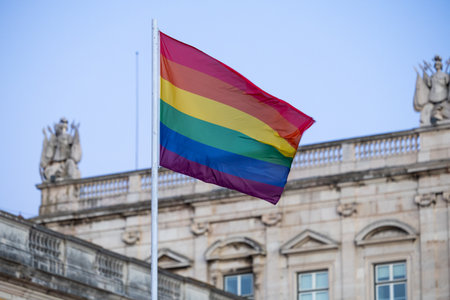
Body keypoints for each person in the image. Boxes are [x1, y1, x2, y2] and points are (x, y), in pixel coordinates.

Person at [40, 118, 82, 182]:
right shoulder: (54, 139)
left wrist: (76, 130)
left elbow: (75, 145)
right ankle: (54, 180)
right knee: (50, 171)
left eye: (65, 123)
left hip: (66, 162)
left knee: (71, 166)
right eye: (62, 123)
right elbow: (49, 151)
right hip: (56, 162)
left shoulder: (69, 137)